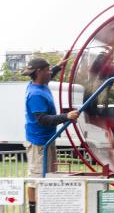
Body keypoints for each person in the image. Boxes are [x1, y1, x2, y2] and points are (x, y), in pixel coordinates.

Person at [22, 58, 80, 213]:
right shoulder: (35, 95)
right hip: (39, 143)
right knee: (37, 179)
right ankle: (35, 210)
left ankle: (45, 208)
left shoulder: (41, 84)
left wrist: (57, 67)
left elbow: (49, 75)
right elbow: (43, 120)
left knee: (47, 176)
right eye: (47, 70)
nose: (50, 73)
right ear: (39, 72)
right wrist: (66, 116)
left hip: (47, 140)